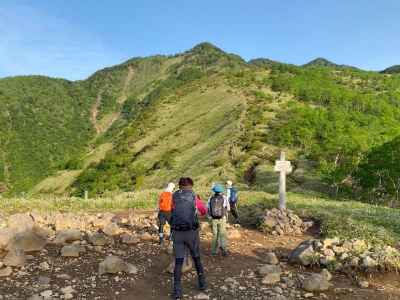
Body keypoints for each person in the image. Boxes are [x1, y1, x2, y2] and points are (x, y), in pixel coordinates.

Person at [170, 177, 206, 299]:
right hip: (191, 233)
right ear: (191, 186)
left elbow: (168, 211)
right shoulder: (194, 197)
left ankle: (177, 290)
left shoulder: (173, 197)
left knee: (179, 261)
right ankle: (201, 282)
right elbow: (203, 211)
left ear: (179, 186)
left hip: (177, 233)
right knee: (196, 257)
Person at [208, 183, 230, 256]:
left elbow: (208, 208)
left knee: (215, 234)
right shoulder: (224, 198)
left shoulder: (211, 198)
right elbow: (228, 208)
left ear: (214, 191)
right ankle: (224, 250)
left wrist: (210, 217)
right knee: (222, 234)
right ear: (221, 191)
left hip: (213, 219)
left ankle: (213, 252)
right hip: (222, 218)